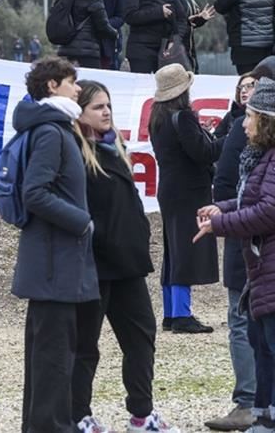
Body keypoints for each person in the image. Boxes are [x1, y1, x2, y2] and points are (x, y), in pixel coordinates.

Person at [71, 80, 179, 433]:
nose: (105, 112)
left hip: (128, 264)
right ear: (80, 112)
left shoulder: (114, 147)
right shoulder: (73, 152)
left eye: (108, 106)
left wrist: (139, 236)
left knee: (141, 338)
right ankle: (77, 415)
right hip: (94, 265)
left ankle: (141, 414)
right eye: (97, 107)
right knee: (85, 346)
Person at [11, 56, 98, 433]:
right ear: (52, 86)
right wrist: (82, 222)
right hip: (52, 266)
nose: (78, 88)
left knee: (51, 355)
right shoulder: (50, 131)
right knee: (52, 359)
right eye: (71, 81)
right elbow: (34, 193)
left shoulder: (57, 127)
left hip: (57, 264)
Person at [196, 77, 275, 433]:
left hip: (270, 267)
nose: (243, 123)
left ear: (267, 120)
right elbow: (250, 199)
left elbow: (268, 210)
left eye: (250, 116)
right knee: (263, 345)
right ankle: (263, 414)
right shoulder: (261, 157)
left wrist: (222, 224)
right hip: (262, 268)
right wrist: (221, 208)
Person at [148, 63, 223, 333]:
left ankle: (171, 312)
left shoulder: (157, 117)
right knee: (186, 248)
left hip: (169, 189)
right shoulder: (184, 117)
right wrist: (227, 138)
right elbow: (203, 153)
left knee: (173, 249)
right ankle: (181, 315)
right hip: (189, 192)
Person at [124, 0, 185, 74]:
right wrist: (158, 12)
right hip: (141, 49)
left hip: (165, 50)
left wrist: (175, 40)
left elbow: (181, 18)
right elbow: (130, 16)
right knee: (142, 89)